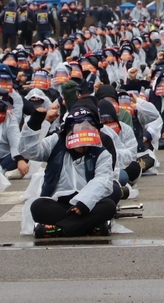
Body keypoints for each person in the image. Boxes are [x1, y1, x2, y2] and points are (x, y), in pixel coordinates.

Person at [20, 102, 118, 238]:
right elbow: (29, 152)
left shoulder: (101, 153)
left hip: (86, 205)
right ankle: (89, 227)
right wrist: (35, 123)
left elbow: (103, 180)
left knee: (108, 206)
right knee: (37, 206)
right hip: (59, 203)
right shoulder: (55, 142)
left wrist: (84, 203)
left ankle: (59, 230)